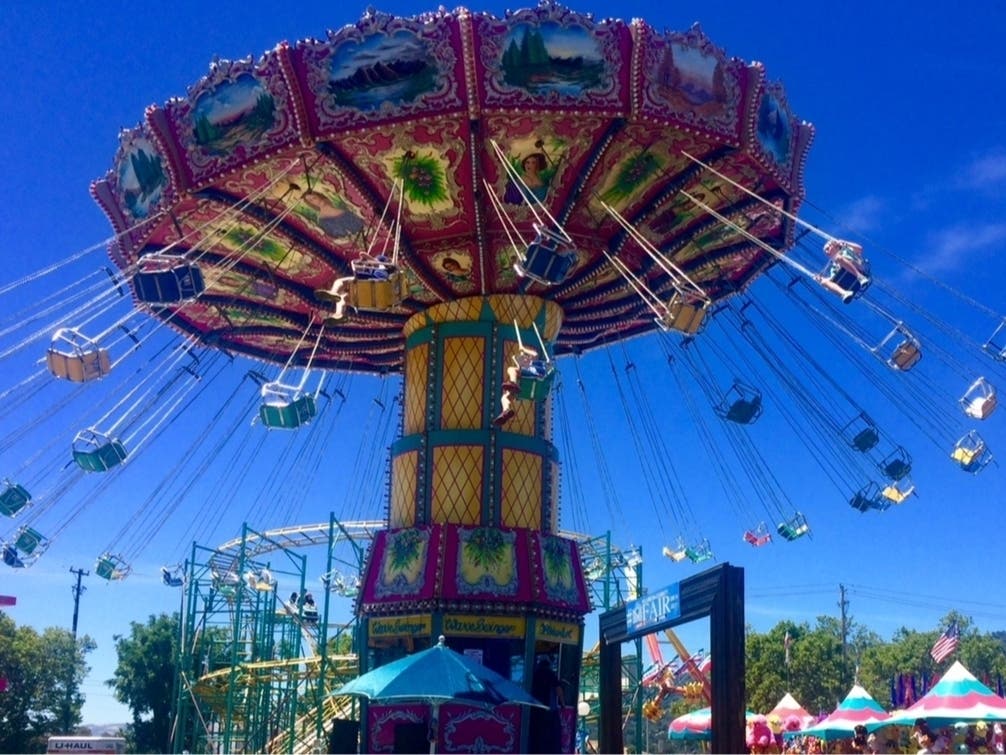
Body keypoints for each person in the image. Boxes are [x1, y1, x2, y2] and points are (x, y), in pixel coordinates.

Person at [815, 238, 871, 303]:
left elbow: (860, 249)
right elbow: (833, 278)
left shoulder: (846, 249)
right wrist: (821, 279)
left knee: (838, 258)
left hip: (859, 269)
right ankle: (844, 293)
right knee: (823, 282)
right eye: (825, 252)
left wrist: (845, 243)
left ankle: (860, 277)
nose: (827, 252)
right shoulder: (833, 266)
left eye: (827, 249)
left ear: (833, 245)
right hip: (847, 280)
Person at [530, 657, 564, 753]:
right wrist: (563, 704)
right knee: (551, 740)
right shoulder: (550, 673)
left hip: (535, 711)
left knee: (537, 740)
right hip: (549, 711)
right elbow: (558, 690)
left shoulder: (534, 675)